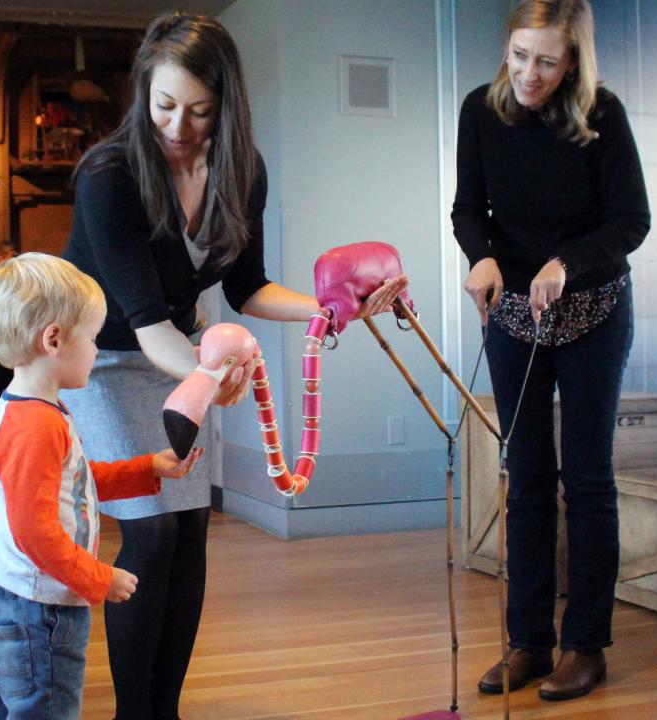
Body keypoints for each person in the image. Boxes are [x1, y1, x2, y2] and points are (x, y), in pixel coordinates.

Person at [61, 12, 407, 718]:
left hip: (182, 356)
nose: (179, 127)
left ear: (227, 104)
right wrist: (207, 373)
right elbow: (145, 317)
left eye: (200, 110)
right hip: (102, 357)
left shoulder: (242, 171)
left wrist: (333, 309)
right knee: (152, 528)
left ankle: (167, 709)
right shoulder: (109, 174)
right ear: (142, 94)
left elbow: (247, 288)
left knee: (190, 532)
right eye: (163, 106)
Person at [452, 0, 650, 702]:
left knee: (588, 480)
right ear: (506, 50)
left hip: (593, 308)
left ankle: (585, 645)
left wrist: (567, 262)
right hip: (512, 314)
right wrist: (479, 257)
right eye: (519, 56)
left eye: (546, 60)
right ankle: (528, 642)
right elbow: (468, 209)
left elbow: (632, 221)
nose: (529, 74)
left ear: (573, 62)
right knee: (528, 477)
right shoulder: (481, 110)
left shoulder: (604, 116)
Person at [0, 252, 205, 719]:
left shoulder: (28, 406)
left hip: (8, 598)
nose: (97, 351)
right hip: (37, 609)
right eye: (93, 339)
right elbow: (35, 532)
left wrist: (146, 468)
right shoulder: (37, 424)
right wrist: (100, 578)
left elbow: (74, 482)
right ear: (53, 339)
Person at [0, 241, 19, 409]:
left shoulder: (2, 274)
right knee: (4, 374)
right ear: (1, 255)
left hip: (5, 328)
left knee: (6, 374)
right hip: (2, 329)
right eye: (11, 254)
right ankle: (0, 408)